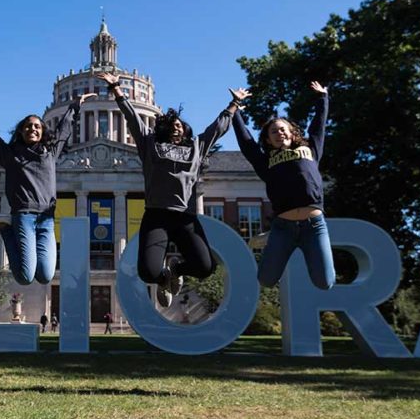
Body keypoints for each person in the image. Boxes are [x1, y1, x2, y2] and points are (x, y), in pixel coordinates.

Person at [95, 71, 242, 307]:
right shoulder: (150, 145)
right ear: (163, 128)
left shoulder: (196, 148)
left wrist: (234, 104)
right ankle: (164, 278)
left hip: (185, 217)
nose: (177, 128)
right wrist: (116, 90)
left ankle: (176, 269)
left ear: (185, 130)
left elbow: (217, 129)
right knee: (148, 272)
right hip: (157, 215)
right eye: (172, 125)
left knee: (205, 267)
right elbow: (132, 118)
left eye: (180, 125)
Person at [0, 93, 95, 285]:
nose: (33, 129)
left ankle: (7, 229)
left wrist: (76, 105)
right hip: (24, 216)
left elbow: (64, 128)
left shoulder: (51, 153)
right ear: (21, 131)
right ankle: (5, 229)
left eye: (37, 126)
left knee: (45, 276)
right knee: (25, 277)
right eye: (28, 126)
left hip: (46, 220)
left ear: (42, 132)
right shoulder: (9, 155)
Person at [231, 82, 336, 290]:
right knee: (266, 280)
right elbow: (246, 142)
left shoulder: (310, 149)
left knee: (325, 282)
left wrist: (323, 97)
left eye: (283, 130)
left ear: (292, 133)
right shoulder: (265, 161)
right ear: (269, 140)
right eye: (274, 132)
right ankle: (272, 239)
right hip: (283, 228)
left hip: (313, 226)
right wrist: (235, 107)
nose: (279, 134)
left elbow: (318, 126)